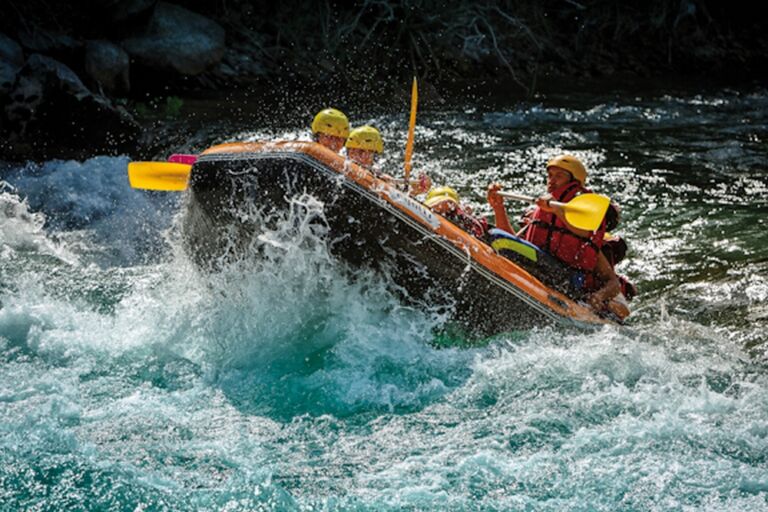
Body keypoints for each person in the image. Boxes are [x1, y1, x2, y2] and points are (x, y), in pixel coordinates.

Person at [487, 154, 620, 311]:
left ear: (574, 183)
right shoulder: (542, 213)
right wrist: (498, 208)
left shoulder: (583, 229)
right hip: (542, 266)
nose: (552, 180)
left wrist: (599, 296)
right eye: (549, 175)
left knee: (497, 237)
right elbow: (512, 241)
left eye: (559, 176)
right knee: (498, 237)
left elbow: (587, 233)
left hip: (566, 279)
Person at [346, 125, 431, 195]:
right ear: (350, 151)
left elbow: (401, 194)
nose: (364, 156)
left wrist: (415, 190)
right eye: (360, 151)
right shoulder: (341, 164)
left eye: (370, 152)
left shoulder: (378, 175)